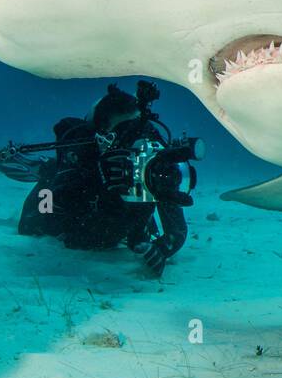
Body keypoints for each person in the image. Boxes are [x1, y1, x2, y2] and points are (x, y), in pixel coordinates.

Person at [10, 81, 191, 276]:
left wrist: (163, 248)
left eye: (142, 135)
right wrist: (97, 175)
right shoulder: (84, 157)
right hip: (76, 213)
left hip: (119, 229)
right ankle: (43, 168)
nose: (137, 148)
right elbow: (48, 217)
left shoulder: (150, 163)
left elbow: (176, 229)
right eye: (126, 136)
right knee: (32, 224)